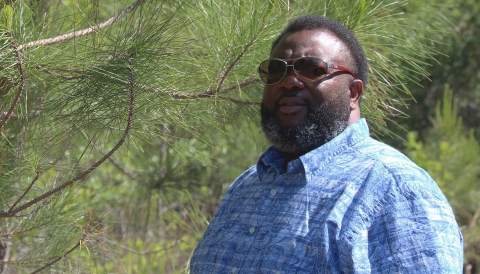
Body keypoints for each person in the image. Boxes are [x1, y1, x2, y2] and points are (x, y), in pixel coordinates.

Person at [190, 15, 463, 273]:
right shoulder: (246, 186)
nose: (289, 82)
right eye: (275, 70)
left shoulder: (395, 189)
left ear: (353, 93)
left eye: (312, 69)